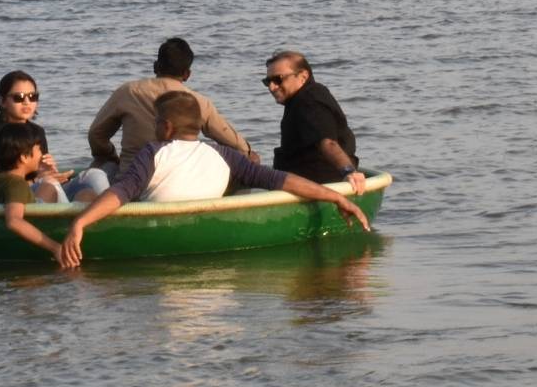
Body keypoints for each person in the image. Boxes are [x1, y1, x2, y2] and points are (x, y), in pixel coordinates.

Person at [61, 92, 370, 266]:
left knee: (93, 181)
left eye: (156, 122)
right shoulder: (224, 154)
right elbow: (280, 180)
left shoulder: (155, 152)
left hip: (159, 241)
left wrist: (79, 224)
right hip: (209, 252)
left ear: (166, 127)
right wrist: (335, 196)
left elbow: (122, 192)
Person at [88, 37, 259, 179]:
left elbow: (96, 135)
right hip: (179, 178)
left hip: (130, 179)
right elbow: (231, 140)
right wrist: (248, 152)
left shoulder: (127, 92)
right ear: (187, 74)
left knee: (100, 168)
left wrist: (110, 156)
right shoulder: (197, 102)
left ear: (156, 66)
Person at [0, 70, 107, 202]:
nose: (27, 102)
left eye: (32, 97)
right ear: (2, 101)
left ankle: (108, 217)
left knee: (95, 175)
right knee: (50, 185)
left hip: (45, 188)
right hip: (15, 199)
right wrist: (40, 180)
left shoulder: (37, 132)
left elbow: (40, 173)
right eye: (19, 97)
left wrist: (50, 173)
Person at [263, 50, 367, 194]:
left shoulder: (310, 101)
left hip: (320, 185)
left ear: (303, 76)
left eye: (278, 79)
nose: (272, 87)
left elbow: (328, 142)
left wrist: (349, 172)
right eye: (267, 81)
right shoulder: (300, 100)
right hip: (304, 181)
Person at [0, 122, 73, 265]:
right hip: (26, 240)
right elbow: (13, 221)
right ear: (24, 157)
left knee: (49, 184)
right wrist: (55, 247)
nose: (41, 154)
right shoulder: (16, 184)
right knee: (53, 185)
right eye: (38, 149)